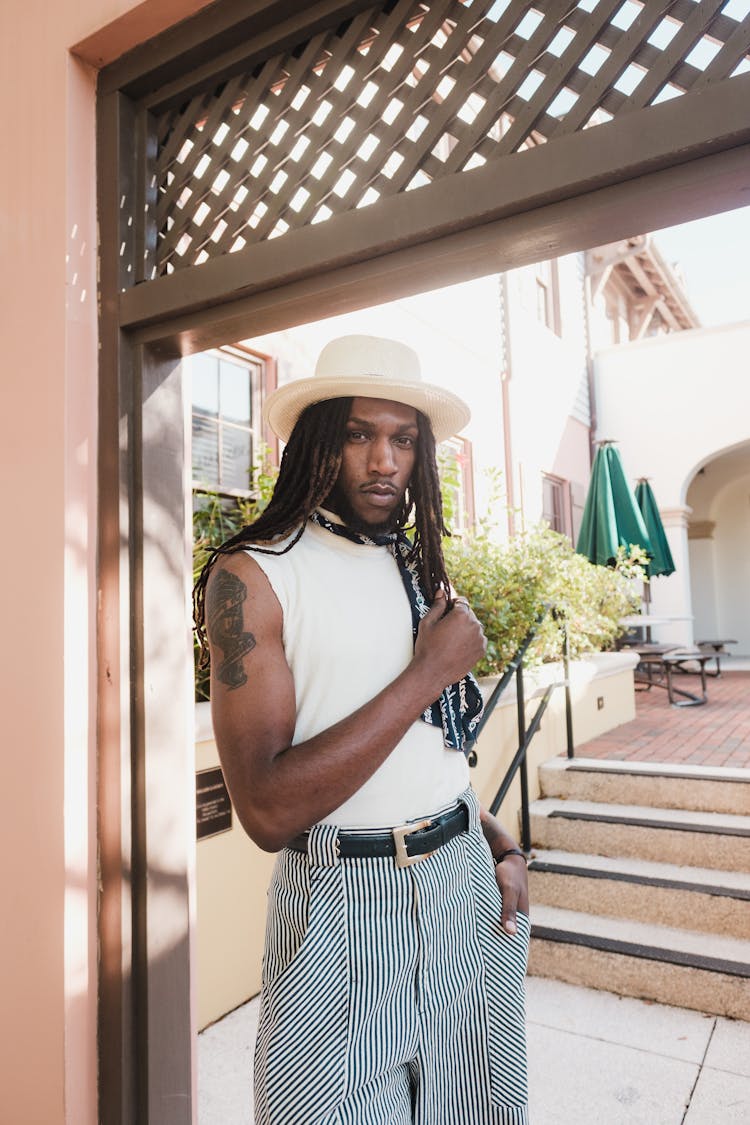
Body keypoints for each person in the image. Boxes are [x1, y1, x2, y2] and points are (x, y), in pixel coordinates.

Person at [194, 334, 530, 1125]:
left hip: (465, 884)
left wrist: (503, 844)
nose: (384, 460)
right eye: (359, 434)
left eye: (403, 439)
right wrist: (427, 673)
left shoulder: (408, 561)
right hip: (342, 903)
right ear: (318, 439)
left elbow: (424, 754)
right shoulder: (254, 576)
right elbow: (268, 811)